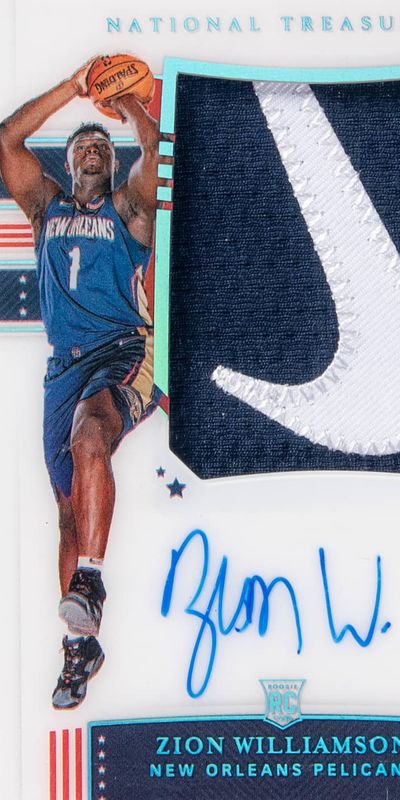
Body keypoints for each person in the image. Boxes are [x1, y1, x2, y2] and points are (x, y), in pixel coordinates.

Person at [0, 60, 161, 709]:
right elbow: (7, 139)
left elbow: (155, 152)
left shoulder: (129, 209)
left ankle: (90, 580)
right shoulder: (45, 207)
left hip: (122, 350)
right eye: (82, 145)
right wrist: (73, 88)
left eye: (102, 145)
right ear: (68, 164)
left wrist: (130, 105)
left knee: (92, 435)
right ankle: (79, 646)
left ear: (110, 162)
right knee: (67, 511)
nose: (93, 148)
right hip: (62, 367)